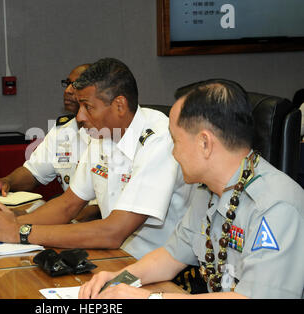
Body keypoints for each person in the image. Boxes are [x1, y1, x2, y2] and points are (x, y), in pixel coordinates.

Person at [79, 79, 304, 299]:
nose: (173, 153)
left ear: (205, 143)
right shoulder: (207, 190)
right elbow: (171, 256)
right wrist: (117, 279)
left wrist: (150, 298)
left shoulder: (277, 206)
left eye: (175, 141)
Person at [0, 57, 193, 259]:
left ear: (119, 106)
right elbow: (68, 205)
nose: (79, 117)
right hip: (116, 258)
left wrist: (21, 232)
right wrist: (4, 223)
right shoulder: (103, 135)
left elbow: (113, 232)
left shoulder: (160, 140)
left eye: (88, 107)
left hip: (162, 271)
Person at [0, 63, 100, 221]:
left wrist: (33, 221)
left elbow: (100, 207)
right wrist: (6, 181)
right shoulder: (62, 131)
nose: (68, 90)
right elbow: (33, 173)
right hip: (66, 215)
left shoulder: (110, 133)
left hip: (96, 223)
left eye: (76, 85)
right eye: (67, 83)